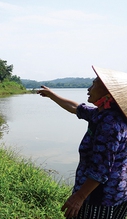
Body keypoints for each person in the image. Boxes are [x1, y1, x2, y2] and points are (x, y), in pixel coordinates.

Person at [37, 66, 127, 219]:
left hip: (101, 197)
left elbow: (100, 169)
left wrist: (79, 197)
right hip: (117, 192)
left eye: (94, 84)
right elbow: (75, 107)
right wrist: (51, 95)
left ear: (107, 94)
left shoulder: (109, 124)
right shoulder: (102, 114)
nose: (89, 88)